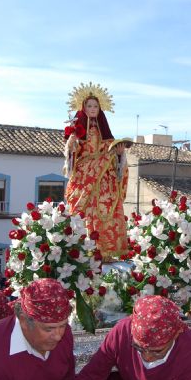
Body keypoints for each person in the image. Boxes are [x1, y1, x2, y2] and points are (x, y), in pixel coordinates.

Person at [71, 295, 191, 380]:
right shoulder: (122, 331)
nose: (147, 357)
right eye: (138, 347)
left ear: (176, 334)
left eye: (157, 351)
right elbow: (91, 376)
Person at [63, 82, 129, 260]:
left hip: (105, 179)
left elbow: (115, 157)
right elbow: (71, 159)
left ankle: (106, 251)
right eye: (89, 106)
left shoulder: (106, 135)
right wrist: (72, 143)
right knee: (87, 212)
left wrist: (120, 154)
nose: (92, 109)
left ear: (100, 109)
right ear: (83, 108)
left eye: (95, 106)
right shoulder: (78, 132)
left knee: (107, 211)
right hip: (85, 177)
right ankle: (85, 250)